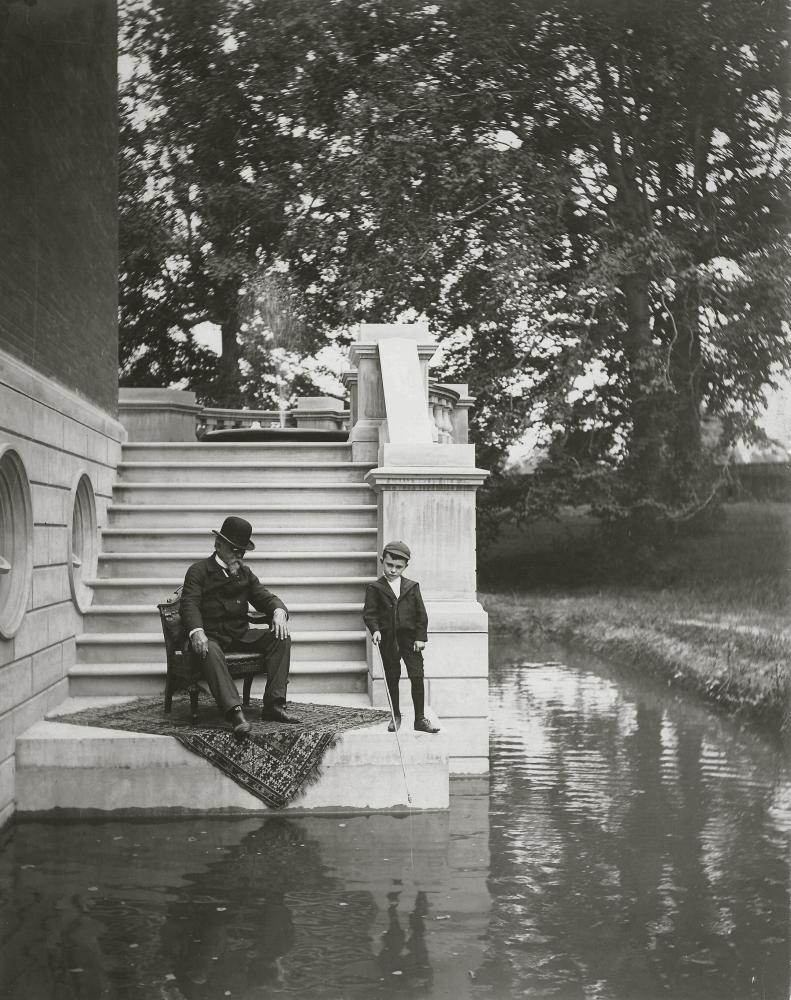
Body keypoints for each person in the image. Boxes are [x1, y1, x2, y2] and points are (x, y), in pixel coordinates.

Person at [180, 515, 300, 736]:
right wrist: (197, 631)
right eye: (234, 549)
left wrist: (278, 611)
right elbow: (189, 605)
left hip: (240, 635)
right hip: (211, 637)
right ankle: (235, 713)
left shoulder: (245, 573)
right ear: (218, 545)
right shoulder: (198, 571)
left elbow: (266, 597)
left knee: (280, 636)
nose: (239, 555)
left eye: (242, 551)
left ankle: (274, 705)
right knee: (209, 650)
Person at [363, 540, 440, 734]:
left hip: (410, 640)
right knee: (392, 676)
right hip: (388, 639)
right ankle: (395, 715)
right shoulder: (375, 588)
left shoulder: (412, 587)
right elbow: (370, 614)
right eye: (389, 565)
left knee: (417, 675)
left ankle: (420, 719)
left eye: (398, 567)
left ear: (406, 566)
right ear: (382, 561)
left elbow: (421, 615)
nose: (393, 570)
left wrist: (420, 637)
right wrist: (375, 630)